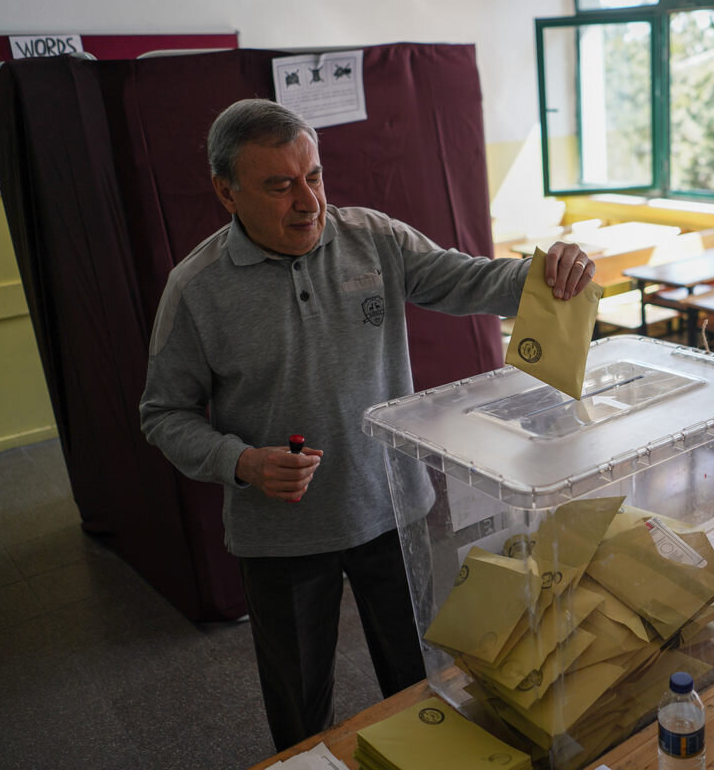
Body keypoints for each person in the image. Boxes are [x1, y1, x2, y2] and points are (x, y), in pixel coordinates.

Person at [138, 98, 595, 751]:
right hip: (282, 539)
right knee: (301, 711)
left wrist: (549, 272)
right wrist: (241, 461)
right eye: (279, 185)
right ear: (225, 193)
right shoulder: (196, 289)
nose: (307, 202)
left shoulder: (372, 238)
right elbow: (163, 414)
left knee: (422, 688)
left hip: (394, 510)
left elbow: (469, 281)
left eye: (314, 176)